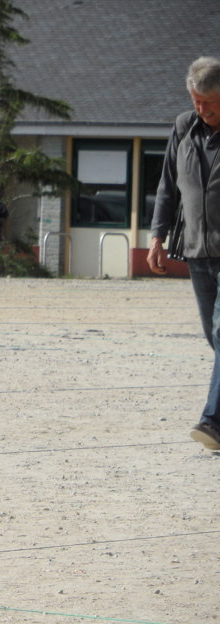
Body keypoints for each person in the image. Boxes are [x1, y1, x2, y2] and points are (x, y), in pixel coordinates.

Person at [147, 56, 220, 451]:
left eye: (209, 103)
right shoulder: (183, 127)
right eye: (197, 102)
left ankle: (212, 422)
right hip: (196, 251)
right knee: (215, 337)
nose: (202, 110)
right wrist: (156, 237)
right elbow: (167, 188)